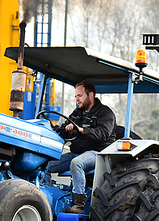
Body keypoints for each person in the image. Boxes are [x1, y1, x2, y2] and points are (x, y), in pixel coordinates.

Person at [46, 80, 116, 214]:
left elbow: (103, 134)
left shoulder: (105, 113)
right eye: (75, 96)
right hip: (76, 152)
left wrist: (82, 130)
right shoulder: (77, 113)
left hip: (98, 153)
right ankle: (48, 197)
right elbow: (64, 130)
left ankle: (78, 205)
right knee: (47, 165)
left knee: (76, 163)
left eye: (80, 95)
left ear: (91, 95)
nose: (77, 99)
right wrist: (55, 129)